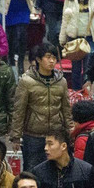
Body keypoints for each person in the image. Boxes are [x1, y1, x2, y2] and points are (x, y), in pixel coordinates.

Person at [11, 41, 72, 170]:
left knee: (56, 171)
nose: (52, 61)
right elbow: (19, 110)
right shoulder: (26, 81)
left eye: (54, 58)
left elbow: (66, 109)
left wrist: (70, 132)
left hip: (56, 134)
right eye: (48, 57)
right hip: (33, 136)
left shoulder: (62, 82)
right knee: (32, 171)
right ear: (38, 59)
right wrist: (16, 137)